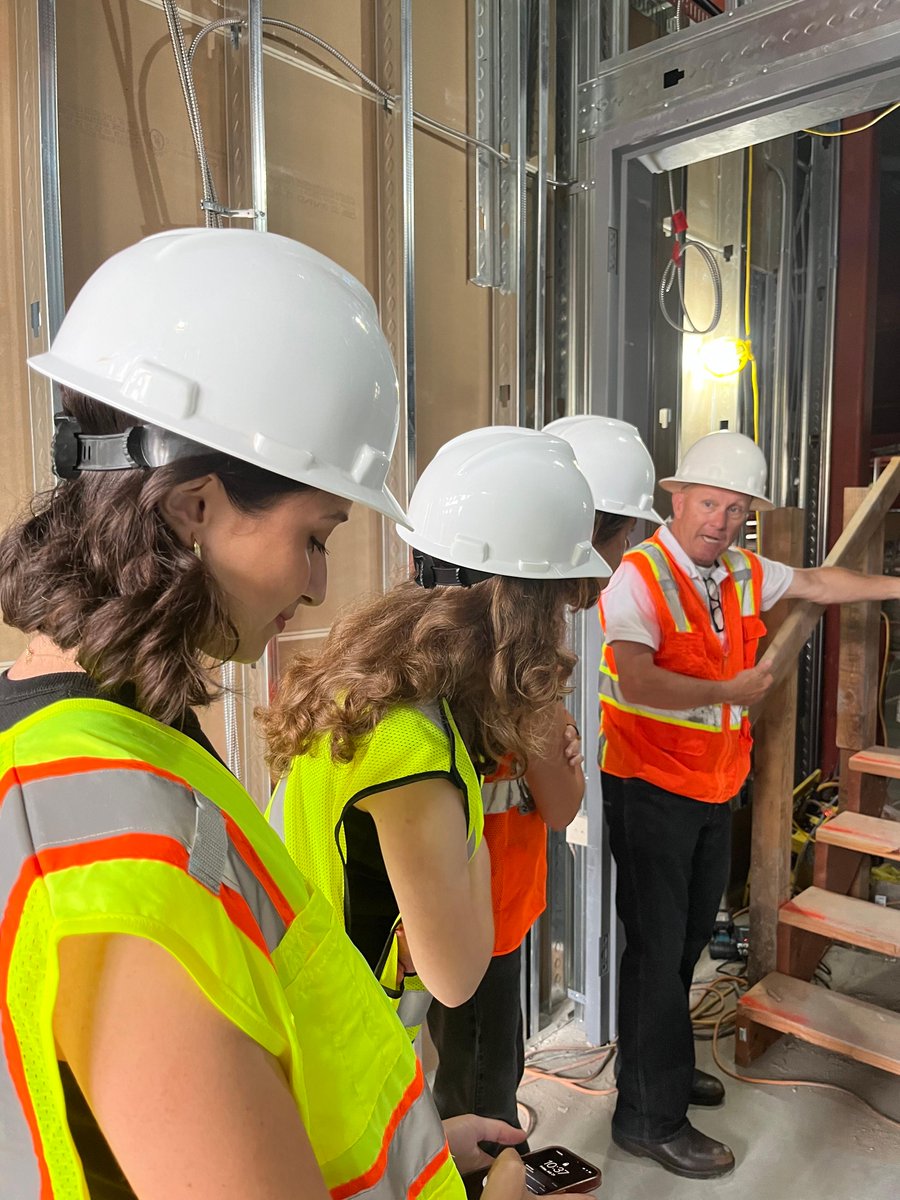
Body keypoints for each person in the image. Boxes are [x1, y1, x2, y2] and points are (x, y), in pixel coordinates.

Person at [0, 228, 531, 1200]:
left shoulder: (80, 735)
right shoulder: (114, 844)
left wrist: (417, 1142)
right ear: (195, 507)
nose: (322, 586)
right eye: (315, 536)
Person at [598, 429, 900, 1180]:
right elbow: (636, 682)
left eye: (737, 510)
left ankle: (657, 1075)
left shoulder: (738, 571)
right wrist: (727, 693)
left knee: (688, 944)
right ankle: (647, 1118)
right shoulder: (638, 576)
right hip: (648, 789)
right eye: (710, 503)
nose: (722, 521)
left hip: (709, 789)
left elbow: (820, 584)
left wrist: (896, 585)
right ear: (677, 498)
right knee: (655, 955)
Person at [263, 425, 608, 1049]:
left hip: (313, 1009)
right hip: (336, 1045)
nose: (561, 631)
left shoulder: (373, 675)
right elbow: (455, 976)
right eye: (557, 608)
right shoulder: (415, 750)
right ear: (524, 613)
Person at [426, 415, 662, 1150]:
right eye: (620, 539)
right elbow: (563, 803)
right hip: (468, 928)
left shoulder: (440, 647)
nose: (620, 560)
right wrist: (547, 743)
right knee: (481, 1099)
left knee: (475, 1081)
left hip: (479, 915)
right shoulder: (507, 674)